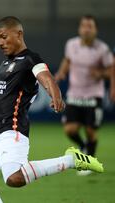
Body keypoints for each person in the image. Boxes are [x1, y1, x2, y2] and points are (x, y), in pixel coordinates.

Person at [0, 16, 104, 203]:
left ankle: (70, 160)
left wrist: (56, 95)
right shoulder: (4, 64)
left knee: (14, 178)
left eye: (4, 37)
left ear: (19, 34)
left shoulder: (30, 59)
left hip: (12, 131)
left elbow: (45, 77)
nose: (0, 42)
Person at [55, 15, 115, 175]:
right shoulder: (71, 44)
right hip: (75, 94)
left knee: (90, 131)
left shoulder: (102, 49)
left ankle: (90, 161)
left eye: (90, 26)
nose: (87, 29)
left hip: (93, 95)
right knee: (69, 129)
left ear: (95, 30)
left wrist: (102, 75)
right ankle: (83, 146)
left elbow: (111, 69)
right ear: (80, 29)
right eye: (84, 26)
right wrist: (61, 73)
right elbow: (67, 60)